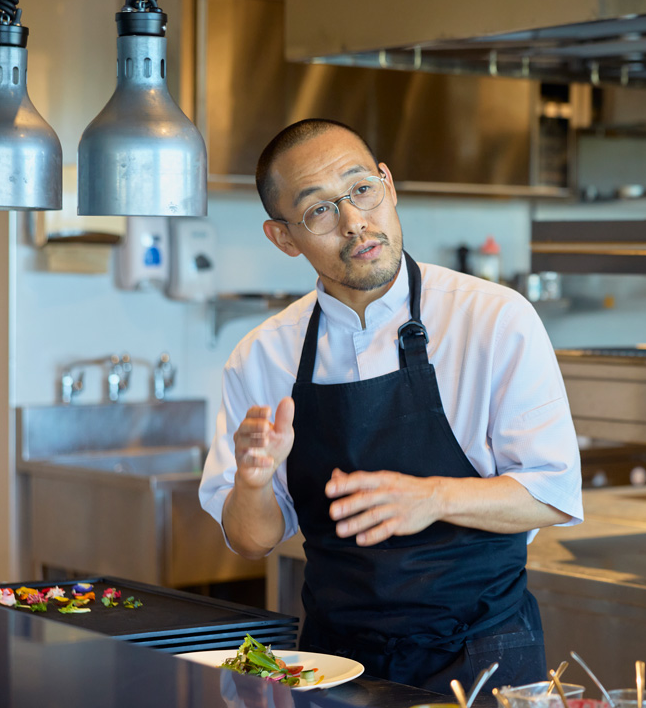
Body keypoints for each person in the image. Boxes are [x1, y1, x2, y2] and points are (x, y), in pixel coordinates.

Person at [199, 118, 583, 693]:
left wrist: (431, 497)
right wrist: (253, 483)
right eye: (319, 210)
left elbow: (552, 492)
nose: (355, 222)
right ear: (284, 238)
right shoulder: (263, 355)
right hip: (335, 664)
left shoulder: (493, 319)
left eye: (361, 190)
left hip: (483, 656)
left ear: (388, 185)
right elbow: (252, 540)